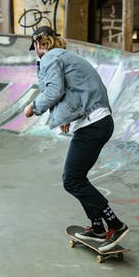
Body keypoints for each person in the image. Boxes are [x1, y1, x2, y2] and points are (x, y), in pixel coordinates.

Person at [24, 26, 129, 252]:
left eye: (35, 47)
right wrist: (66, 117)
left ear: (39, 43)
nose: (36, 52)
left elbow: (54, 91)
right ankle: (97, 227)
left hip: (93, 124)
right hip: (97, 121)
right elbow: (75, 89)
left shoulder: (50, 57)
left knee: (72, 180)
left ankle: (115, 224)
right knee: (78, 178)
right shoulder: (67, 57)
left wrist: (33, 107)